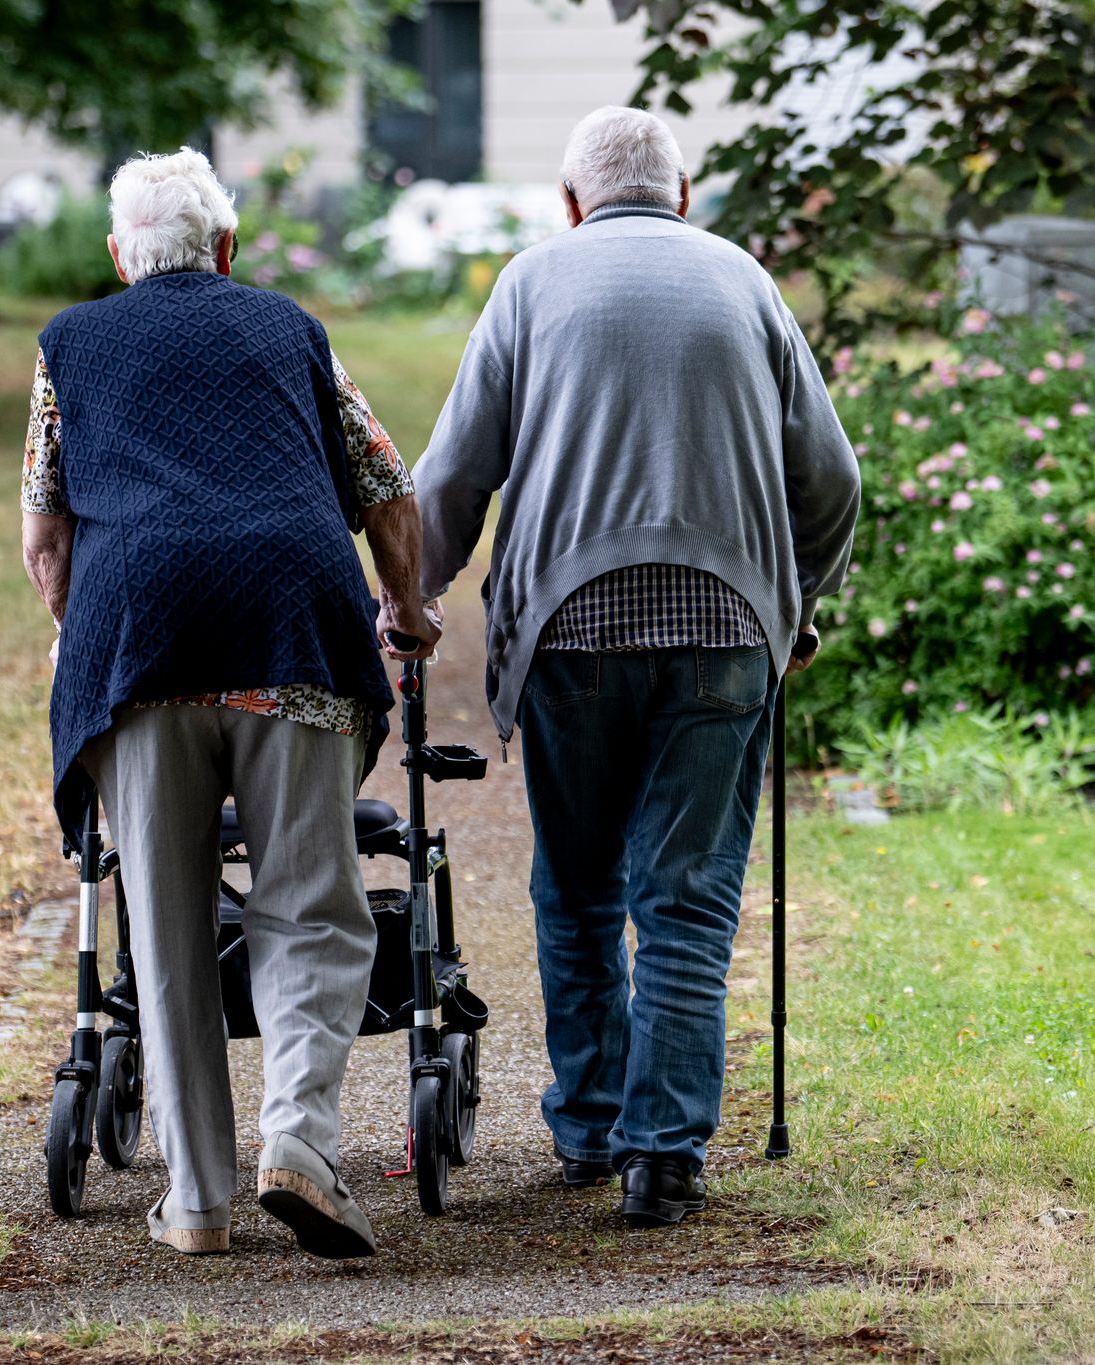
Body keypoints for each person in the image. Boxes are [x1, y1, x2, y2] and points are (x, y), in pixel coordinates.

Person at [413, 107, 860, 1227]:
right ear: (684, 193)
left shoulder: (529, 282)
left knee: (575, 890)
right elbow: (832, 480)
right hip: (722, 625)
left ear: (571, 202)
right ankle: (662, 1159)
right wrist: (793, 608)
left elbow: (456, 473)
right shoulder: (746, 283)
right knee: (687, 899)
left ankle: (591, 1127)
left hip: (569, 631)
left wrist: (407, 594)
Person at [19, 147, 439, 1259]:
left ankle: (197, 1202)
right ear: (228, 248)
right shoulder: (289, 331)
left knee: (159, 929)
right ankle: (298, 1141)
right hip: (287, 628)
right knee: (307, 903)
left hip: (137, 647)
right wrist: (407, 607)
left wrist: (79, 634)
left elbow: (45, 534)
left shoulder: (70, 343)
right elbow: (385, 487)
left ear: (118, 258)